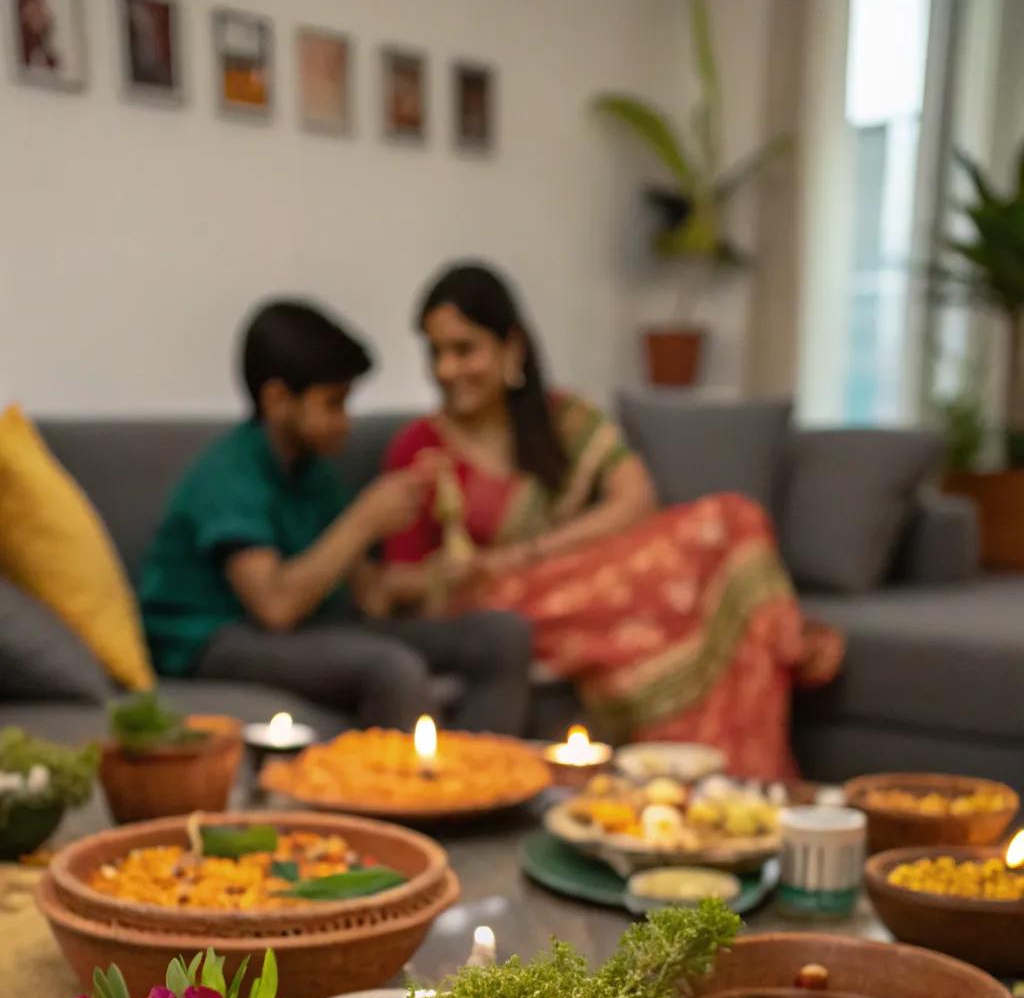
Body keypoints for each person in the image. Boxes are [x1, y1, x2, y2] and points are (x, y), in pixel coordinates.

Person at [375, 263, 840, 778]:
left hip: (573, 580)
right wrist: (460, 571)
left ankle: (740, 772)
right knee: (687, 576)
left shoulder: (560, 419)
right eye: (435, 352)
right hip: (502, 606)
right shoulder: (421, 448)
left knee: (734, 519)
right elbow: (397, 584)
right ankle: (784, 646)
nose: (446, 369)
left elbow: (636, 499)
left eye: (464, 350)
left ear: (511, 348)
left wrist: (529, 554)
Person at [140, 300, 532, 734]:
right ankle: (427, 793)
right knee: (390, 668)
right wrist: (364, 519)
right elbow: (275, 607)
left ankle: (485, 785)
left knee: (503, 636)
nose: (345, 422)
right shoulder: (228, 475)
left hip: (312, 625)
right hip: (214, 637)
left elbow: (368, 599)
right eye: (333, 403)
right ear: (277, 400)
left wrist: (442, 573)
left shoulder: (314, 472)